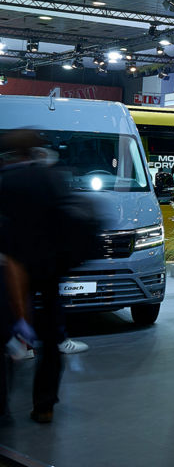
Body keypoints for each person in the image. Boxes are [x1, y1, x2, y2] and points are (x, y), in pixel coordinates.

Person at [0, 129, 76, 423]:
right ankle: (44, 405)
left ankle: (3, 407)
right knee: (50, 342)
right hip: (49, 274)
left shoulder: (5, 181)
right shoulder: (52, 178)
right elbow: (65, 223)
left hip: (10, 274)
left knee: (6, 334)